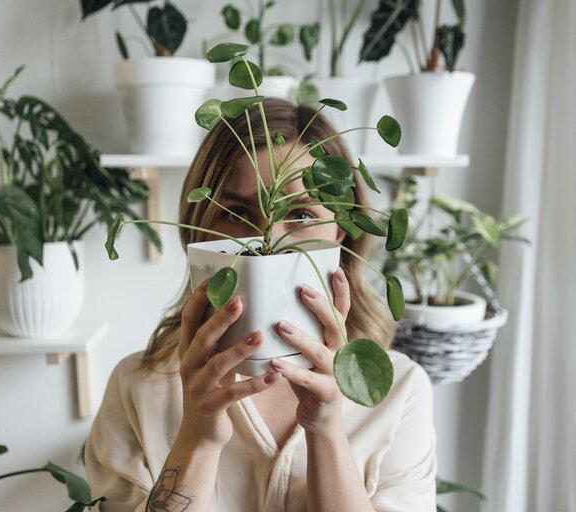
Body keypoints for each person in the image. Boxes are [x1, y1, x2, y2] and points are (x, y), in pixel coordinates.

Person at [85, 98, 437, 511]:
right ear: (198, 233)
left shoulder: (397, 391)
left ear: (342, 231)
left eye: (303, 215)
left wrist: (325, 431)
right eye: (235, 212)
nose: (268, 244)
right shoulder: (137, 387)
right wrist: (197, 438)